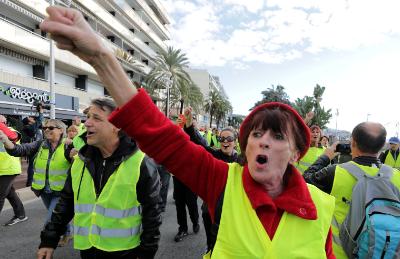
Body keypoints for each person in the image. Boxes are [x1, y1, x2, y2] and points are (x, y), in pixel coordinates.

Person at [39, 7, 336, 258]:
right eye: (256, 135)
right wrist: (101, 57)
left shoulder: (321, 207)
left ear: (297, 153)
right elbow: (159, 134)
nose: (264, 142)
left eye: (278, 137)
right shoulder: (222, 180)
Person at [37, 98, 163, 259]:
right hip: (88, 250)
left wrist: (147, 253)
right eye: (88, 117)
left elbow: (153, 214)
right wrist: (49, 240)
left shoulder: (140, 163)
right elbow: (66, 202)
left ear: (117, 125)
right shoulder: (80, 161)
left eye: (96, 118)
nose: (87, 123)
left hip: (125, 252)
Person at [304, 122, 400, 258]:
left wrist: (325, 157)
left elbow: (303, 181)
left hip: (339, 252)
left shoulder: (335, 172)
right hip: (377, 251)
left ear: (353, 142)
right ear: (382, 146)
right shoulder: (398, 177)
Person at [179, 107, 240, 252]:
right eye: (222, 138)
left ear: (235, 142)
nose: (225, 141)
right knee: (212, 243)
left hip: (233, 210)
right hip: (210, 209)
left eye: (229, 139)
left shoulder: (241, 161)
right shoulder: (213, 154)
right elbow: (199, 143)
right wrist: (189, 125)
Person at [2, 118, 73, 241]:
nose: (46, 130)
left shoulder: (69, 145)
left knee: (50, 221)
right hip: (44, 191)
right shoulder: (40, 144)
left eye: (50, 128)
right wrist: (5, 139)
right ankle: (68, 232)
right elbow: (18, 150)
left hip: (62, 193)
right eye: (44, 128)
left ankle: (46, 247)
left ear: (61, 130)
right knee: (58, 215)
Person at [0, 115, 28, 226]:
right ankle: (21, 215)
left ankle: (20, 215)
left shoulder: (11, 131)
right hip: (3, 169)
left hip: (8, 169)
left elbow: (14, 137)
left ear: (4, 122)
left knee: (0, 195)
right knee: (10, 193)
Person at [21, 109, 44, 187]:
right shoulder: (29, 128)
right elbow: (39, 121)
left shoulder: (34, 127)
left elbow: (40, 123)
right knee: (32, 165)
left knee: (35, 165)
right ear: (29, 122)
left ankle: (33, 181)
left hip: (36, 148)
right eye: (30, 118)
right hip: (33, 149)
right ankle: (30, 183)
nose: (33, 118)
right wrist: (41, 112)